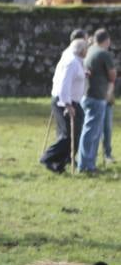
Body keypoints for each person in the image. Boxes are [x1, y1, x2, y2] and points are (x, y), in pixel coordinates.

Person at [41, 38, 89, 173]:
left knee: (76, 133)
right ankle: (48, 158)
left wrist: (84, 74)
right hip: (65, 101)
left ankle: (60, 163)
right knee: (68, 135)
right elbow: (64, 85)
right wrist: (67, 105)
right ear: (82, 51)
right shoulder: (72, 62)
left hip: (73, 101)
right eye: (86, 48)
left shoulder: (76, 61)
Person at [77, 29, 116, 172]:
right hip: (98, 96)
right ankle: (86, 165)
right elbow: (112, 75)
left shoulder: (90, 50)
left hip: (86, 95)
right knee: (92, 133)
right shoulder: (103, 54)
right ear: (107, 40)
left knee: (91, 131)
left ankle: (89, 163)